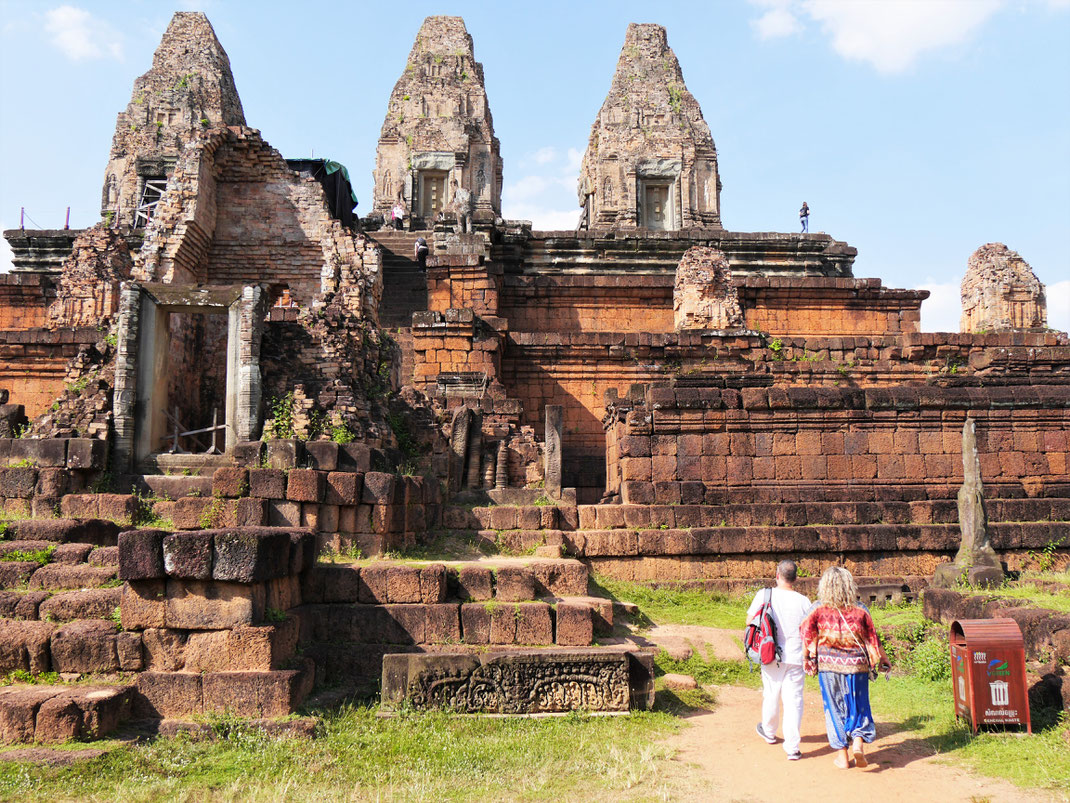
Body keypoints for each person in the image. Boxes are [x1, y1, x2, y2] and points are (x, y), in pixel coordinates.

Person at [801, 566, 891, 769]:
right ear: (849, 586)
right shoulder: (861, 610)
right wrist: (884, 659)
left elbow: (807, 636)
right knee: (858, 706)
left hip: (829, 667)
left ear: (825, 586)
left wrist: (807, 658)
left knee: (834, 708)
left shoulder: (817, 609)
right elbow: (873, 640)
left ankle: (842, 757)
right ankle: (858, 743)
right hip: (857, 667)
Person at [747, 559, 812, 761]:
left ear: (777, 575)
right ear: (796, 578)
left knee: (771, 693)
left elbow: (750, 621)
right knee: (794, 701)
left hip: (770, 652)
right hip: (796, 655)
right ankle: (792, 748)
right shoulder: (803, 601)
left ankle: (769, 731)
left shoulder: (764, 595)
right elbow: (809, 631)